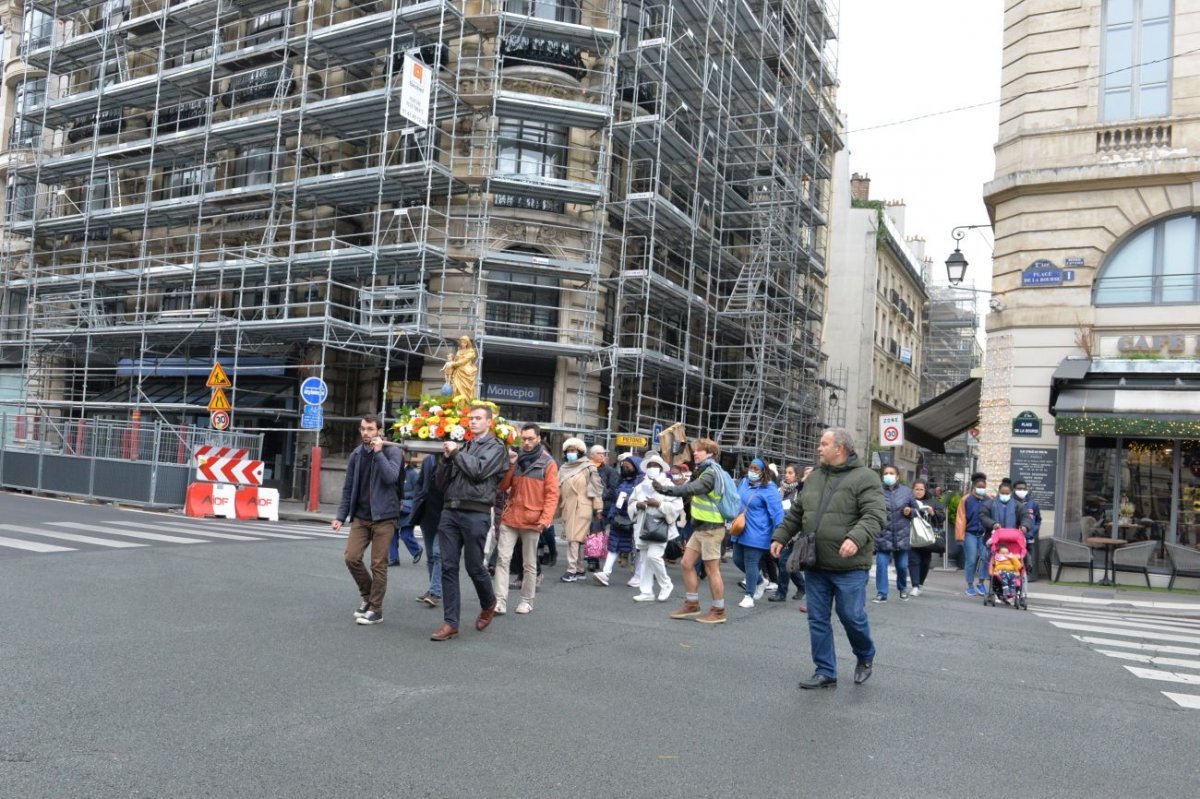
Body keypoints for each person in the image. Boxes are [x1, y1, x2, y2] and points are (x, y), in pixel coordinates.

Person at [769, 428, 885, 688]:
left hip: (850, 566)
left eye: (824, 444)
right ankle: (825, 670)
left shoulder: (865, 477)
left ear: (840, 449)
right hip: (815, 562)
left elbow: (875, 514)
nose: (819, 448)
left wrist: (855, 538)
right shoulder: (814, 477)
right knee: (817, 619)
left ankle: (865, 655)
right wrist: (780, 536)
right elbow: (797, 512)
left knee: (851, 616)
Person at [429, 405, 509, 642]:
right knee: (448, 566)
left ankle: (489, 602)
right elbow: (441, 484)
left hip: (476, 513)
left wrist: (455, 454)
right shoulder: (464, 446)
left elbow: (479, 471)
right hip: (450, 511)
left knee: (474, 566)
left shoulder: (496, 448)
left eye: (477, 418)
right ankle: (450, 623)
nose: (472, 422)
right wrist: (444, 461)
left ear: (489, 422)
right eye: (470, 418)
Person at [332, 414, 405, 626]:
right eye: (363, 429)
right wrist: (340, 516)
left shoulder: (393, 452)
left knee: (378, 564)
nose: (366, 433)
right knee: (351, 558)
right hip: (361, 517)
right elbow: (348, 488)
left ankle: (376, 609)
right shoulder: (356, 454)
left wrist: (379, 452)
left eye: (370, 429)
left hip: (385, 517)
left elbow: (391, 477)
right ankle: (368, 597)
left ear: (380, 431)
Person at [657, 437, 729, 624]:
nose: (694, 453)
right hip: (701, 527)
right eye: (695, 450)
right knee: (687, 563)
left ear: (710, 454)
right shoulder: (703, 470)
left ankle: (718, 610)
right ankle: (692, 604)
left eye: (699, 450)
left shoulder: (711, 473)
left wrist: (665, 489)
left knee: (712, 569)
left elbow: (692, 489)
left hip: (712, 528)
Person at [493, 423, 559, 615]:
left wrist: (545, 518)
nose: (527, 443)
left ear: (539, 438)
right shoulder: (517, 460)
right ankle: (500, 601)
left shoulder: (548, 463)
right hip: (511, 515)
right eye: (524, 439)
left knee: (529, 563)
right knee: (502, 559)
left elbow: (552, 494)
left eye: (531, 439)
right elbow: (503, 485)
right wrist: (511, 465)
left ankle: (526, 600)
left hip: (532, 518)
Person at [628, 453, 683, 602]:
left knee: (654, 556)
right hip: (642, 527)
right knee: (645, 560)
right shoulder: (640, 486)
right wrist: (637, 505)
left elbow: (678, 507)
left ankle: (666, 584)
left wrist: (659, 504)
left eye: (655, 466)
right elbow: (631, 503)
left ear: (661, 468)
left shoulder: (669, 486)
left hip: (660, 527)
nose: (652, 468)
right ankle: (646, 592)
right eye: (650, 466)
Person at [732, 458, 785, 608]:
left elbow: (777, 513)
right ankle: (760, 581)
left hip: (758, 532)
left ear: (764, 472)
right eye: (751, 468)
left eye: (756, 469)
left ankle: (749, 596)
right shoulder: (743, 482)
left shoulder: (770, 489)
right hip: (740, 529)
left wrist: (780, 535)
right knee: (737, 559)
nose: (753, 471)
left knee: (751, 562)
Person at [558, 437, 604, 582]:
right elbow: (557, 489)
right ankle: (579, 569)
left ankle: (571, 570)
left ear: (579, 452)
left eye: (574, 450)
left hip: (582, 507)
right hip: (567, 507)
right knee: (574, 539)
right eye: (569, 451)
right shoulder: (563, 468)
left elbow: (596, 489)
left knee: (573, 538)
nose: (571, 453)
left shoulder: (588, 467)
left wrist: (598, 509)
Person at [593, 453, 642, 586]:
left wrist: (630, 499)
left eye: (628, 466)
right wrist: (611, 514)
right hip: (619, 518)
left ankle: (638, 576)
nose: (625, 469)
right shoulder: (622, 480)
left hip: (635, 519)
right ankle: (605, 573)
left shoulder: (642, 482)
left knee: (638, 548)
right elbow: (615, 499)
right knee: (613, 545)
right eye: (623, 466)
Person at [872, 464, 918, 604]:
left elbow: (917, 510)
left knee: (902, 567)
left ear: (897, 476)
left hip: (901, 536)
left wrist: (910, 511)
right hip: (883, 536)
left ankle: (902, 588)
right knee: (881, 565)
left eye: (891, 473)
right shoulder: (877, 491)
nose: (888, 476)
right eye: (886, 473)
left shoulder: (907, 492)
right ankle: (882, 593)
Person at [770, 464, 810, 608]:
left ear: (797, 476)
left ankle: (781, 593)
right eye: (785, 472)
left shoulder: (800, 491)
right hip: (783, 530)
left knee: (784, 561)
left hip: (795, 533)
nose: (786, 475)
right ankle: (802, 585)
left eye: (790, 473)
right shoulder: (780, 490)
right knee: (786, 562)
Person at [411, 452, 445, 608]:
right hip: (427, 514)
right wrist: (418, 495)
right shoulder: (427, 460)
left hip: (445, 514)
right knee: (431, 555)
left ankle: (436, 592)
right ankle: (432, 589)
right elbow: (419, 482)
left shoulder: (453, 459)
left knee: (438, 554)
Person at [955, 472, 993, 597]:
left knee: (985, 558)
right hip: (970, 533)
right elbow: (961, 518)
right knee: (971, 559)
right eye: (979, 487)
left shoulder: (990, 499)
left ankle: (981, 583)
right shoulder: (966, 499)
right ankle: (970, 585)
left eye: (983, 487)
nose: (981, 489)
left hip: (985, 534)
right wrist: (960, 536)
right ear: (974, 487)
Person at [906, 479, 945, 596]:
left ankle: (920, 583)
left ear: (925, 490)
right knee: (913, 560)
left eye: (921, 489)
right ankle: (915, 585)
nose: (918, 492)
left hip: (927, 536)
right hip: (912, 534)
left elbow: (942, 517)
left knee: (925, 561)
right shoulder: (907, 500)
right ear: (912, 490)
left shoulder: (932, 501)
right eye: (916, 489)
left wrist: (933, 512)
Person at [389, 456, 423, 566]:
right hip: (394, 508)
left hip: (407, 509)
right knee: (392, 535)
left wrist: (403, 498)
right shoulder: (393, 472)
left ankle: (417, 550)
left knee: (406, 534)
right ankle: (394, 559)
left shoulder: (412, 474)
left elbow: (418, 492)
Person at [591, 444, 619, 571]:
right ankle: (590, 557)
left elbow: (613, 489)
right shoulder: (587, 469)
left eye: (603, 453)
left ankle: (593, 560)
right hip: (586, 504)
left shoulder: (610, 471)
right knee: (589, 533)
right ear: (591, 455)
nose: (602, 455)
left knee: (595, 532)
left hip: (603, 506)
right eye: (599, 453)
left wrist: (600, 497)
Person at [1013, 479, 1043, 581]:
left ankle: (1024, 579)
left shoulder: (1033, 503)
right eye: (1019, 489)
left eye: (1024, 489)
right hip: (1014, 538)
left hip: (1028, 538)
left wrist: (1032, 532)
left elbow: (1038, 520)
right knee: (1014, 559)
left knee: (1027, 559)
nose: (1022, 490)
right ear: (1014, 489)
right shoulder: (1011, 502)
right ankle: (1014, 580)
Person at [442, 336, 478, 400]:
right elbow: (455, 360)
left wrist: (453, 364)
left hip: (467, 372)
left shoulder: (471, 352)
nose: (462, 344)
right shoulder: (459, 352)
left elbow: (464, 361)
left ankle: (465, 404)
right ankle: (456, 404)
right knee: (456, 389)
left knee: (465, 389)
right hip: (458, 372)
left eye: (464, 342)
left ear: (468, 343)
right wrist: (450, 363)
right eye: (461, 342)